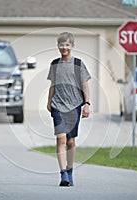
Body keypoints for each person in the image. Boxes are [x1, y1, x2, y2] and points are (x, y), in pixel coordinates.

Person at [47, 32, 91, 187]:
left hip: (74, 106)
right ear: (58, 46)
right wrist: (48, 101)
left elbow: (85, 84)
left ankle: (70, 170)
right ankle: (63, 174)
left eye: (67, 45)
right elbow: (52, 84)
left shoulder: (78, 64)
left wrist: (87, 103)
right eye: (61, 44)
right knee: (61, 139)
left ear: (72, 46)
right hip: (58, 105)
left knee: (71, 142)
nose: (64, 47)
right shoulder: (54, 64)